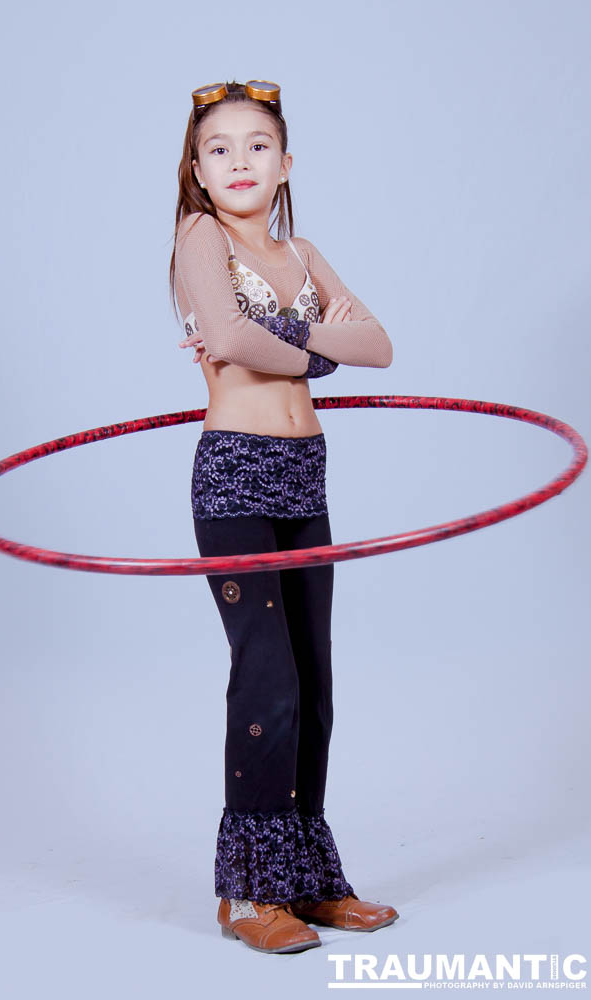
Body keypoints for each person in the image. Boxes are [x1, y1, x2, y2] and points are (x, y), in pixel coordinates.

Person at [170, 79, 398, 955]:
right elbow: (230, 341)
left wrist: (289, 342)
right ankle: (247, 893)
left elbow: (379, 344)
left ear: (286, 163)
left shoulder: (301, 252)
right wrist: (319, 343)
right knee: (267, 681)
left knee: (313, 683)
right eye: (219, 148)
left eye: (257, 145)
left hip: (305, 476)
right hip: (236, 472)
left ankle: (307, 880)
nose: (239, 161)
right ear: (197, 170)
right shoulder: (200, 236)